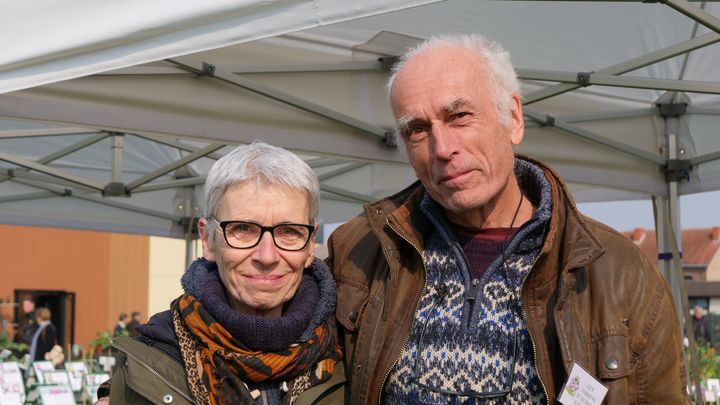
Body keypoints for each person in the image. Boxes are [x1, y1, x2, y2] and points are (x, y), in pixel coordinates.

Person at [326, 34, 689, 404]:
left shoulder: (618, 272)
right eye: (418, 130)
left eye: (459, 116)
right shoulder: (360, 250)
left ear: (514, 118)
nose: (442, 148)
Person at [98, 142, 345, 404]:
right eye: (243, 229)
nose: (267, 256)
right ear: (208, 240)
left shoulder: (354, 353)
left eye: (289, 232)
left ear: (309, 246)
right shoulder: (149, 360)